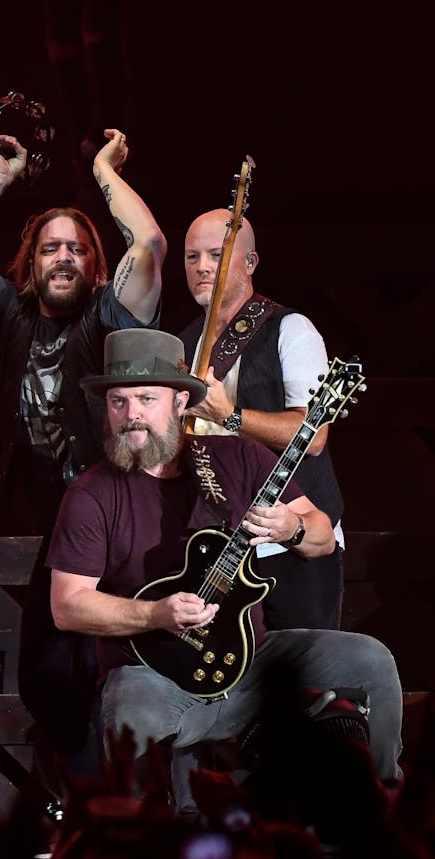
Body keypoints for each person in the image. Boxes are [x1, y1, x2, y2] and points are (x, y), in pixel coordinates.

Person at [45, 327, 401, 816]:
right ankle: (135, 847)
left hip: (252, 665)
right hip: (154, 675)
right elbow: (67, 606)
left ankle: (384, 807)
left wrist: (291, 528)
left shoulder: (236, 457)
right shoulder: (91, 494)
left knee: (370, 659)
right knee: (129, 710)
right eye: (118, 402)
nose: (132, 416)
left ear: (179, 402)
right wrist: (155, 614)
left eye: (146, 399)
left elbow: (320, 538)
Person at [0, 128, 166, 792]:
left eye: (77, 248)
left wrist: (102, 171)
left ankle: (121, 798)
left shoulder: (109, 315)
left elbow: (148, 245)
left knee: (105, 671)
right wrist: (4, 176)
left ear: (94, 265)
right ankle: (84, 792)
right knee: (45, 673)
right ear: (28, 262)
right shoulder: (9, 320)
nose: (63, 257)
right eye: (49, 247)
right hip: (61, 533)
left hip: (123, 527)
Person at [178, 210, 346, 631]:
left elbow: (315, 435)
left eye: (216, 254)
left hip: (291, 539)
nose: (202, 267)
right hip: (215, 550)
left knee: (299, 683)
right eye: (191, 256)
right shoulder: (185, 342)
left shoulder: (290, 329)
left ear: (250, 263)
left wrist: (229, 416)